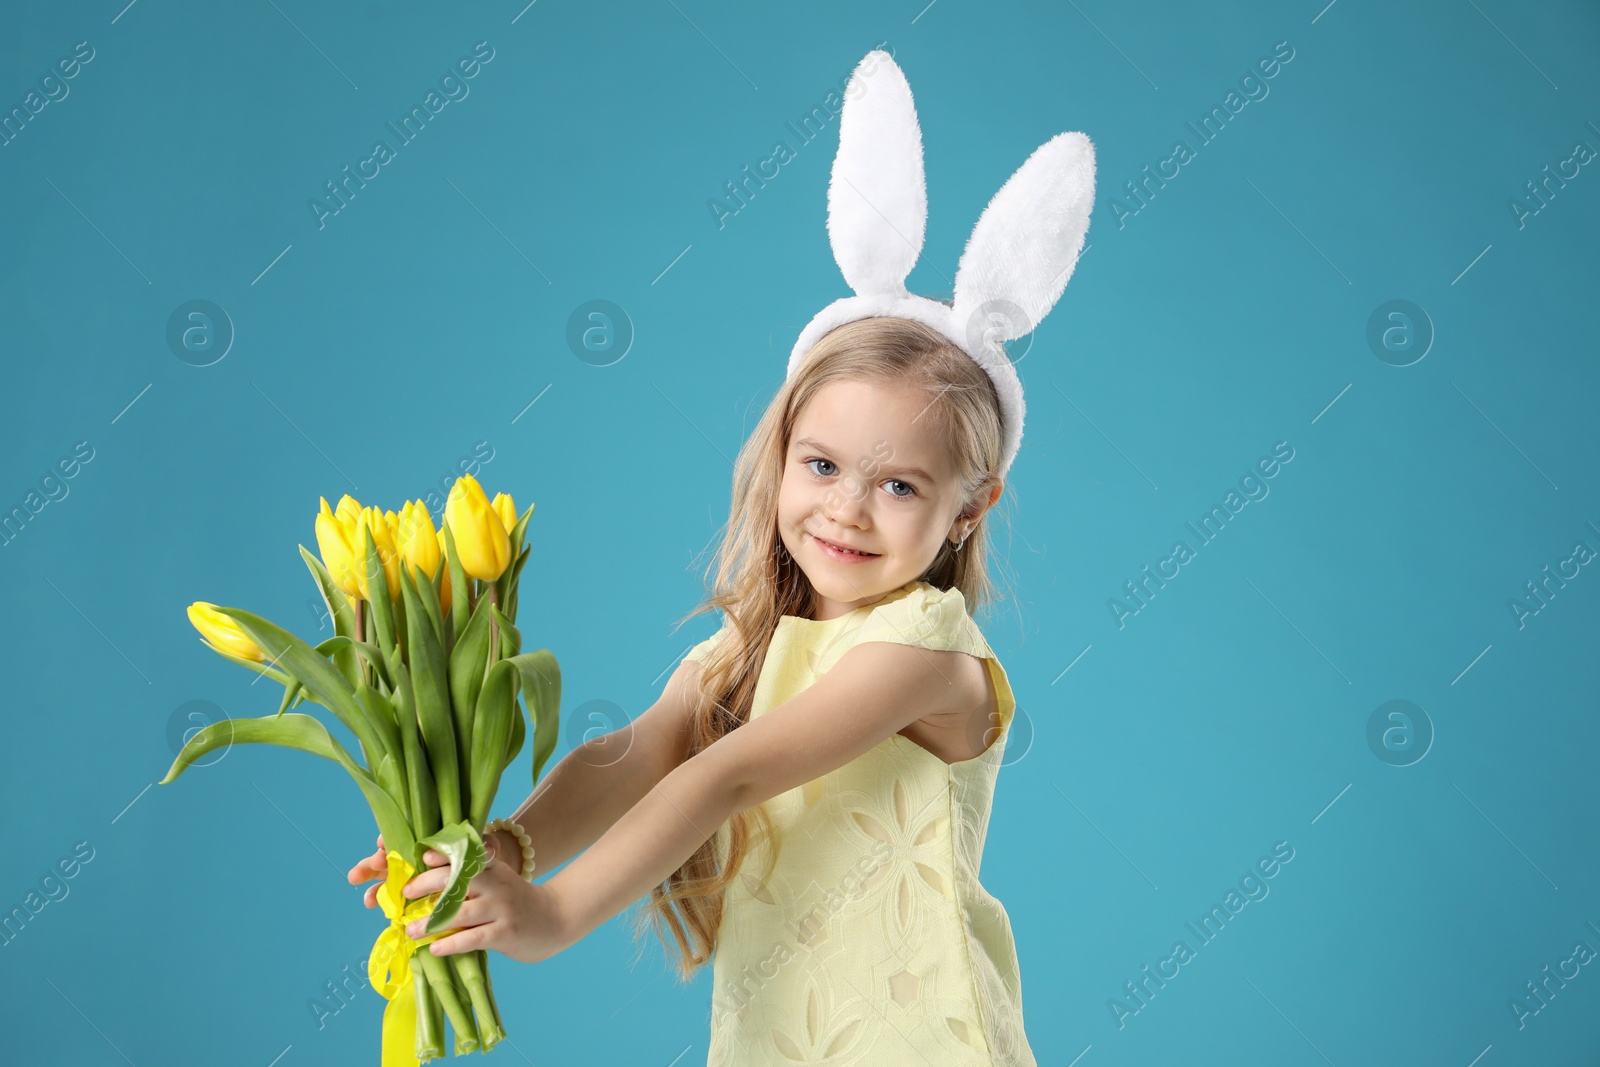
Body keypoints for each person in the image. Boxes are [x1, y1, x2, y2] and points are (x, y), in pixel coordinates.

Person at [350, 47, 1094, 1066]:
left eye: (899, 484)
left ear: (970, 510)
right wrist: (502, 851)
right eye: (823, 463)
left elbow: (729, 773)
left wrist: (555, 912)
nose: (847, 511)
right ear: (780, 452)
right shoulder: (749, 649)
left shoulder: (927, 653)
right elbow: (639, 750)